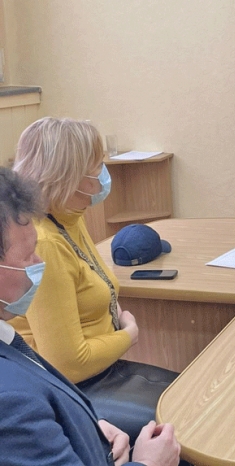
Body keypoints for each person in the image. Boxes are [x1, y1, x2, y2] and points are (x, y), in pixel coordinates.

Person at [10, 117, 178, 444]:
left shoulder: (68, 218)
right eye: (97, 166)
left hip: (103, 371)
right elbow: (67, 365)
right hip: (73, 386)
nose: (103, 175)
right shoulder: (46, 242)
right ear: (68, 177)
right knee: (188, 416)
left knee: (194, 394)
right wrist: (128, 335)